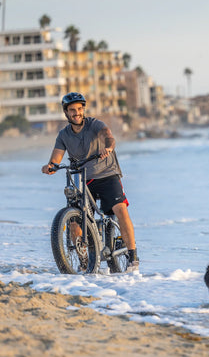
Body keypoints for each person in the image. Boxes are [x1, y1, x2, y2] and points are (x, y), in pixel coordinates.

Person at [42, 92, 139, 271]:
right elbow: (56, 157)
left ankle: (133, 257)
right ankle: (84, 261)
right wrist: (51, 166)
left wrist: (108, 147)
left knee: (120, 209)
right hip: (81, 177)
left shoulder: (95, 125)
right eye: (72, 110)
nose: (76, 113)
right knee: (74, 219)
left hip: (107, 173)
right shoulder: (63, 135)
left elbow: (108, 136)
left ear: (83, 110)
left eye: (79, 109)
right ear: (66, 113)